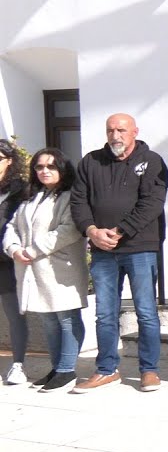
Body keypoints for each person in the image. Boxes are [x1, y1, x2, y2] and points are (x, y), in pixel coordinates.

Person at [69, 114, 168, 393]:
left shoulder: (152, 161)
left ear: (134, 131)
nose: (116, 135)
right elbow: (78, 201)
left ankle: (149, 370)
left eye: (121, 130)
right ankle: (106, 369)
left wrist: (120, 230)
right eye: (111, 130)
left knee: (146, 312)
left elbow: (152, 204)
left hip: (140, 249)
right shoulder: (91, 161)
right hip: (102, 251)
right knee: (105, 314)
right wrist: (92, 231)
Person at [3, 148, 88, 392]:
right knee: (49, 320)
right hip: (33, 269)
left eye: (51, 166)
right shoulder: (32, 196)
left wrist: (33, 250)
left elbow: (68, 230)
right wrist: (14, 248)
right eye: (39, 167)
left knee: (66, 318)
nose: (44, 171)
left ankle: (66, 371)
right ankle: (56, 367)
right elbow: (12, 226)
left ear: (62, 169)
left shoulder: (70, 196)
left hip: (60, 269)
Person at [0, 140, 27, 385]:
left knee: (13, 314)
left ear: (9, 161)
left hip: (6, 261)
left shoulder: (19, 189)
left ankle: (18, 365)